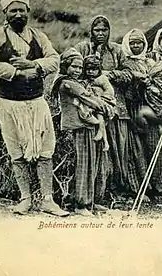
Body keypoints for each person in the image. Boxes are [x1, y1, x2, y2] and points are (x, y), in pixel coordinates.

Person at [0, 0, 68, 216]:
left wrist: (33, 66)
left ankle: (47, 200)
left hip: (37, 103)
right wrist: (16, 73)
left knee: (45, 150)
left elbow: (54, 60)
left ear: (28, 11)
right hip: (10, 104)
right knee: (17, 152)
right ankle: (25, 199)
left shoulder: (39, 36)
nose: (18, 15)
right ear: (5, 13)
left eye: (22, 10)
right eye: (13, 11)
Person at [75, 16, 147, 202]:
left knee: (119, 148)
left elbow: (128, 73)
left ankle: (118, 187)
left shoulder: (116, 50)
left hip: (116, 106)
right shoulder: (82, 48)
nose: (100, 34)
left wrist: (109, 75)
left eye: (104, 30)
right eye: (97, 30)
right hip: (89, 106)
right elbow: (71, 68)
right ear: (91, 31)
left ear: (109, 31)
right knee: (98, 149)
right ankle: (99, 191)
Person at [51, 48, 115, 216]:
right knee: (85, 165)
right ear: (65, 66)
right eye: (74, 67)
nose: (78, 71)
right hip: (80, 128)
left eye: (80, 68)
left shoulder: (78, 82)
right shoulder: (67, 83)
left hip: (89, 126)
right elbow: (89, 98)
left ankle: (93, 201)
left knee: (97, 165)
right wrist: (107, 107)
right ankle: (81, 204)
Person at [119, 28, 162, 198]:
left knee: (154, 146)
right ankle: (142, 188)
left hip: (151, 108)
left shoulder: (149, 62)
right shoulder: (125, 62)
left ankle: (158, 186)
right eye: (132, 43)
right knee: (137, 149)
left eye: (139, 42)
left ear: (144, 44)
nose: (135, 46)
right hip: (134, 108)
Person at [75, 55, 116, 152]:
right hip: (91, 103)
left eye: (94, 69)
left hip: (103, 102)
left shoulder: (102, 79)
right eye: (88, 69)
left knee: (99, 115)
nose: (90, 72)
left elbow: (109, 90)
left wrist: (103, 99)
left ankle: (102, 134)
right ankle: (105, 142)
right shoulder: (85, 80)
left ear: (99, 70)